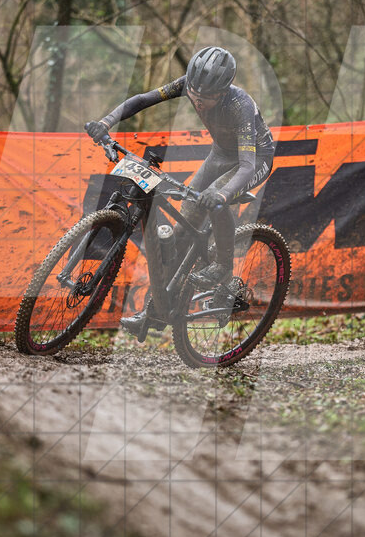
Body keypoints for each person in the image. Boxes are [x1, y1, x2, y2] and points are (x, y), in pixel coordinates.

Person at [85, 46, 275, 339]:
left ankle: (223, 268)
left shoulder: (241, 106)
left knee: (214, 197)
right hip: (220, 154)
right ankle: (155, 313)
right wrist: (106, 122)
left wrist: (223, 196)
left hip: (254, 159)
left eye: (205, 98)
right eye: (194, 95)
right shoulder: (189, 84)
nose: (198, 102)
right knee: (182, 231)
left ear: (222, 92)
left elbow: (248, 167)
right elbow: (141, 100)